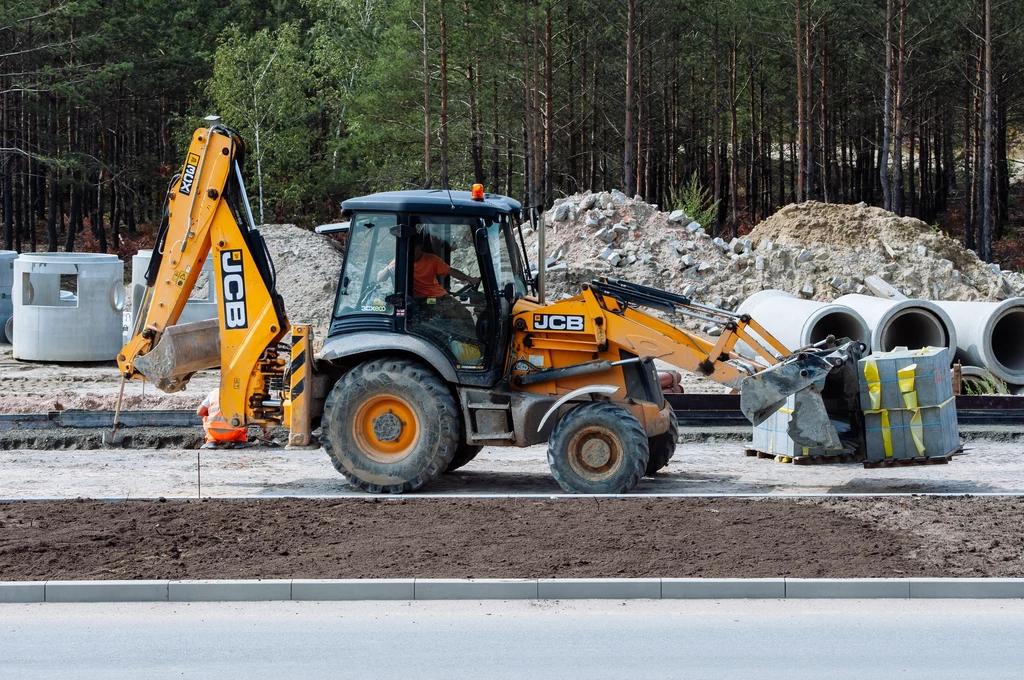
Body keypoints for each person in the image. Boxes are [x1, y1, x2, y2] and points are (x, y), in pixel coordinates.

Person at [377, 233, 480, 298]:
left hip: (435, 296)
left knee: (462, 314)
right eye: (408, 248)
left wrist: (468, 278)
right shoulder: (400, 261)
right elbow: (380, 278)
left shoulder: (432, 260)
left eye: (413, 248)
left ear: (420, 246)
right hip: (414, 300)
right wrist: (388, 268)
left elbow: (451, 271)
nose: (410, 251)